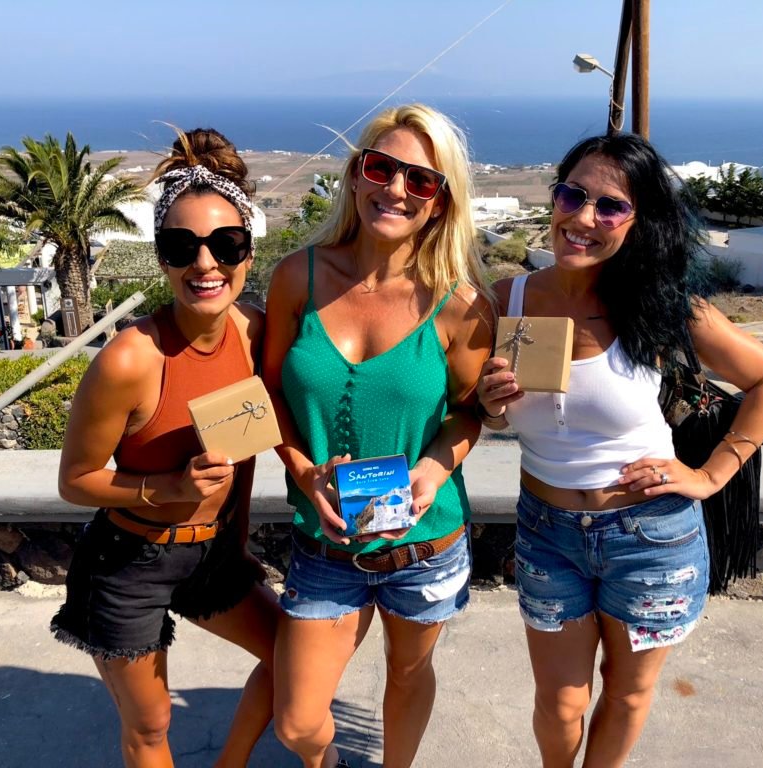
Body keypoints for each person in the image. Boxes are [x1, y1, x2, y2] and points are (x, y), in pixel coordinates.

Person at [477, 133, 763, 768]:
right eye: (573, 195)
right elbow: (485, 416)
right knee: (560, 703)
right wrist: (490, 406)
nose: (583, 218)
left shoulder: (662, 306)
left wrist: (712, 475)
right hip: (547, 532)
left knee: (626, 694)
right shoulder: (504, 300)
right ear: (554, 197)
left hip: (650, 535)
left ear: (639, 221)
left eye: (611, 206)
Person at [263, 104, 494, 768]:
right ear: (355, 174)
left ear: (440, 200)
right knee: (298, 724)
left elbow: (469, 412)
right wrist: (303, 471)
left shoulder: (460, 306)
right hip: (325, 542)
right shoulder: (298, 278)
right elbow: (269, 394)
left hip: (424, 545)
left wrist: (434, 469)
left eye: (420, 179)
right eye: (380, 167)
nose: (395, 188)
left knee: (408, 674)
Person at [51, 128, 280, 768]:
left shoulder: (255, 333)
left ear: (248, 253)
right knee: (150, 726)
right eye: (182, 247)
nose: (205, 264)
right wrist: (168, 488)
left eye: (226, 244)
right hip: (128, 561)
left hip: (212, 553)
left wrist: (237, 543)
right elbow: (75, 480)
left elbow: (245, 453)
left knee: (294, 658)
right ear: (162, 259)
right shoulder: (130, 359)